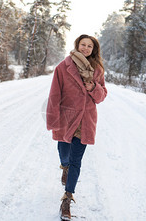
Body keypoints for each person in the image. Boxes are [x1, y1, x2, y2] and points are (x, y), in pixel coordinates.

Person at [46, 34, 107, 221]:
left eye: (90, 46)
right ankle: (64, 166)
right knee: (64, 154)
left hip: (86, 120)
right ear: (77, 45)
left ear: (93, 49)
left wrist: (93, 87)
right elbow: (54, 94)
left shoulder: (97, 70)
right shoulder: (63, 67)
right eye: (83, 45)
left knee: (76, 161)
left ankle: (67, 198)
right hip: (66, 118)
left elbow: (102, 95)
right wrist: (52, 119)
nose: (86, 48)